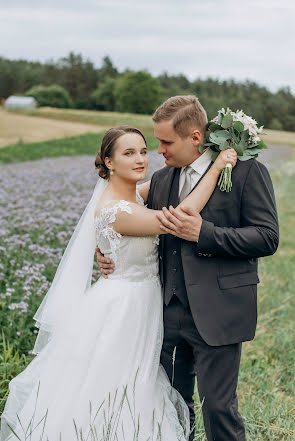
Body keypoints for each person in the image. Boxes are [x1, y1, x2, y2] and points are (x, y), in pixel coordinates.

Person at [0, 125, 237, 441]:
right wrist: (219, 165)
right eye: (128, 153)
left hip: (144, 298)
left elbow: (176, 182)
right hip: (126, 306)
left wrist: (206, 153)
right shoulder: (114, 210)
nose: (140, 159)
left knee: (137, 383)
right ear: (109, 162)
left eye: (142, 150)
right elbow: (182, 216)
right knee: (116, 384)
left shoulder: (133, 195)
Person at [97, 96, 279, 441]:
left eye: (166, 142)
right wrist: (104, 251)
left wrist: (205, 234)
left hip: (219, 311)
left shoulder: (244, 172)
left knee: (218, 409)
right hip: (164, 313)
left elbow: (267, 237)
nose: (158, 151)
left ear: (195, 137)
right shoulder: (163, 179)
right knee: (170, 406)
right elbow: (124, 219)